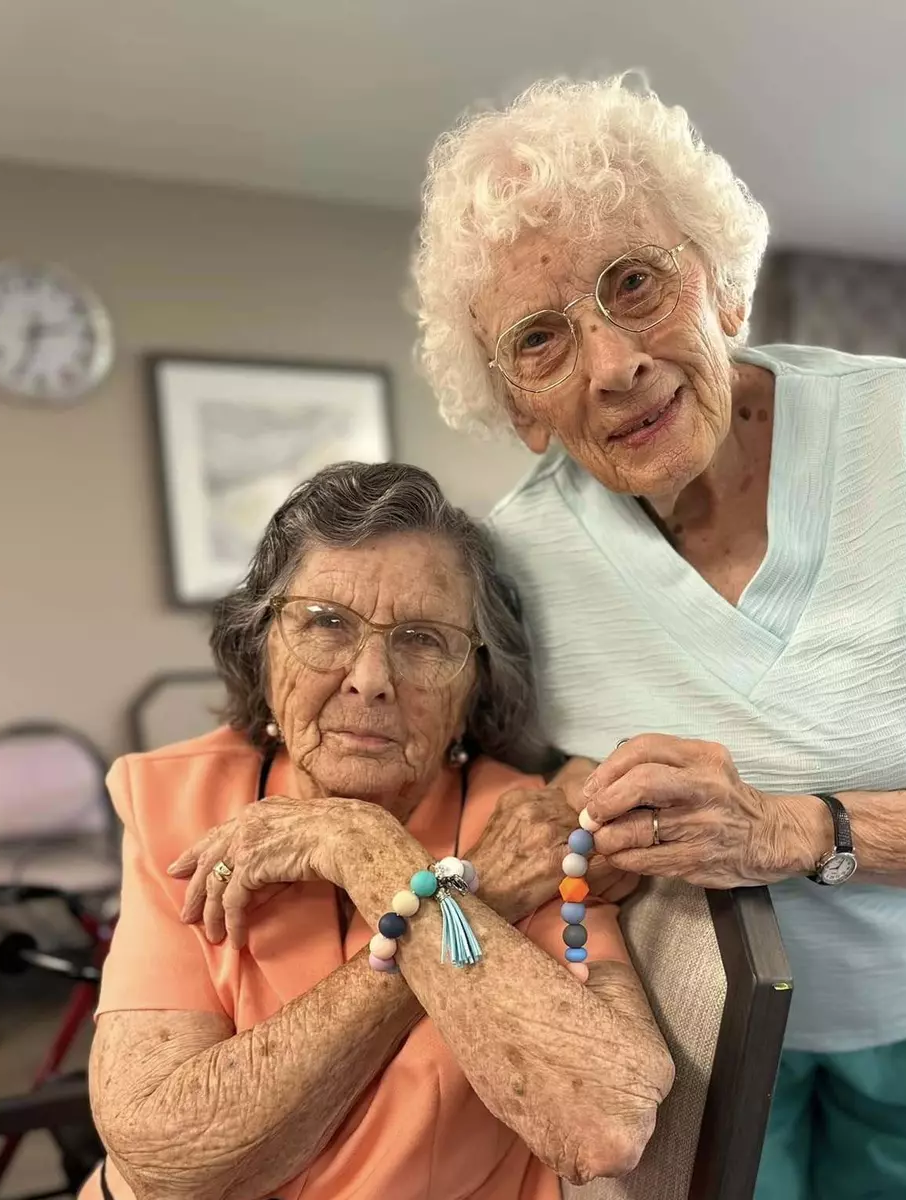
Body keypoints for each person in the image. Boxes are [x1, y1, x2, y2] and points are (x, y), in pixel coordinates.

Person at [412, 76, 906, 1199]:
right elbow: (519, 785)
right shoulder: (512, 555)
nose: (613, 364)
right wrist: (574, 801)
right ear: (519, 408)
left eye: (635, 282)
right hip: (704, 1033)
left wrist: (789, 829)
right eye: (540, 340)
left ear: (720, 283)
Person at [81, 462, 673, 1200]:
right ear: (261, 644)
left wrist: (363, 848)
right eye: (326, 622)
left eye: (423, 639)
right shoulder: (177, 798)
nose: (370, 678)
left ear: (478, 681)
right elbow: (163, 1154)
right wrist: (472, 896)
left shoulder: (526, 830)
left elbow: (604, 1122)